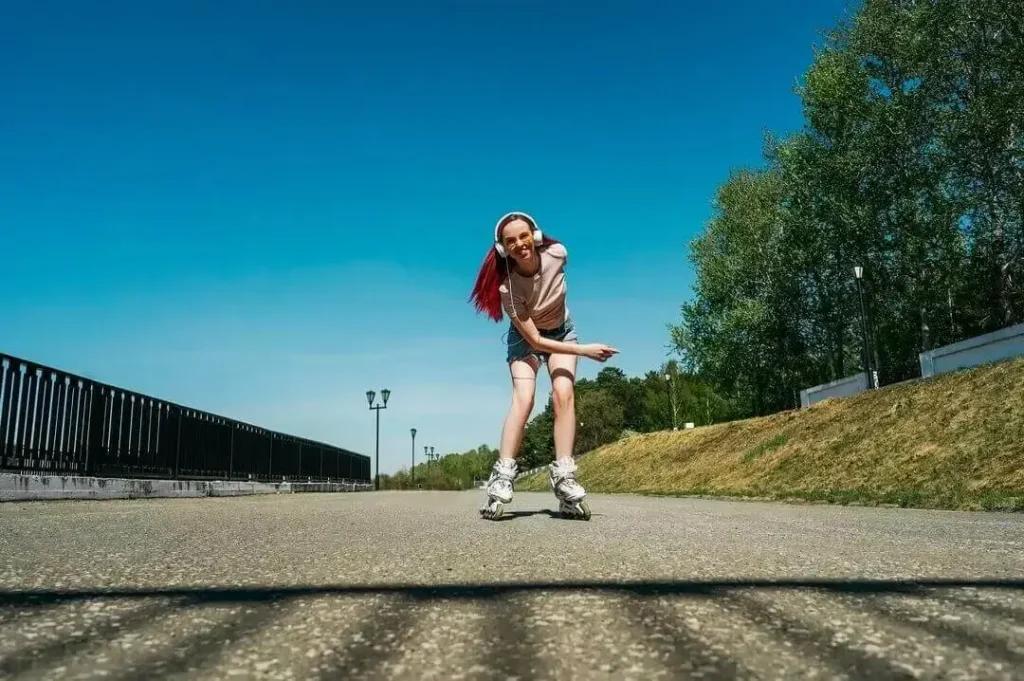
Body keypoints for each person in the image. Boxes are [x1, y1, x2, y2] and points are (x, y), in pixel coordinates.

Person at [469, 211, 618, 520]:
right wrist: (585, 351)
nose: (520, 244)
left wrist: (575, 345)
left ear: (534, 235)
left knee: (563, 393)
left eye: (524, 236)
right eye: (511, 241)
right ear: (502, 249)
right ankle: (502, 476)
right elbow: (536, 341)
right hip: (528, 340)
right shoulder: (508, 291)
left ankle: (564, 477)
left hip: (563, 330)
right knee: (524, 399)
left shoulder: (557, 253)